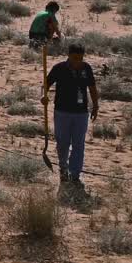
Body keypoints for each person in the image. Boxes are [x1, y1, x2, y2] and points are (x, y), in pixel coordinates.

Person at [43, 43, 100, 188]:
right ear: (68, 55)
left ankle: (75, 175)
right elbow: (46, 84)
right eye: (75, 58)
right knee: (62, 142)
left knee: (78, 144)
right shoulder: (59, 68)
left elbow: (92, 88)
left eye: (80, 58)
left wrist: (96, 105)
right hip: (62, 112)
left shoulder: (86, 68)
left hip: (81, 113)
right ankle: (63, 168)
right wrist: (44, 96)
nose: (78, 61)